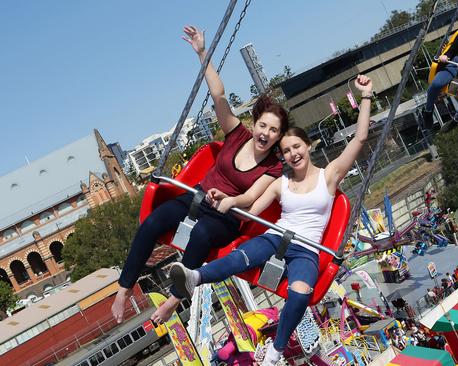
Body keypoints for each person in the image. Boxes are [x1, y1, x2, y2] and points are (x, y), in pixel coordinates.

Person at [168, 74, 374, 365]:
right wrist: (221, 207)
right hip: (276, 236)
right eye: (287, 151)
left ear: (308, 146)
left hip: (307, 249)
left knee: (300, 293)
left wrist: (365, 95)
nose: (292, 154)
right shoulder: (280, 183)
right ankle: (195, 277)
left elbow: (361, 137)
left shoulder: (328, 176)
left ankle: (275, 352)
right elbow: (250, 211)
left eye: (297, 147)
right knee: (243, 255)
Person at [111, 26, 288, 324]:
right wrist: (202, 53)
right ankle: (125, 287)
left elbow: (251, 196)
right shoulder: (237, 135)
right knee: (153, 221)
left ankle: (173, 301)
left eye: (274, 131)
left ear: (278, 136)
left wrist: (229, 200)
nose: (266, 134)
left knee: (203, 233)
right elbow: (218, 96)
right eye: (263, 126)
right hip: (197, 198)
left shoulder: (273, 166)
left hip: (226, 217)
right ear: (255, 123)